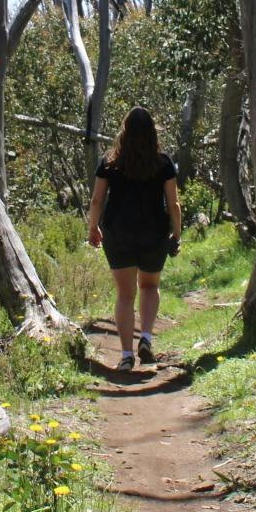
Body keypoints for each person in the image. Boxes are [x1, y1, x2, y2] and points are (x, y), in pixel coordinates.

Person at [87, 106, 182, 370]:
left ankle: (126, 355)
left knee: (125, 295)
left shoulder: (109, 162)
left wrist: (93, 227)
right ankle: (147, 338)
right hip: (153, 234)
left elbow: (97, 199)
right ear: (153, 132)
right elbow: (173, 203)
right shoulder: (163, 163)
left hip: (118, 234)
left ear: (124, 132)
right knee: (150, 287)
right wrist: (177, 232)